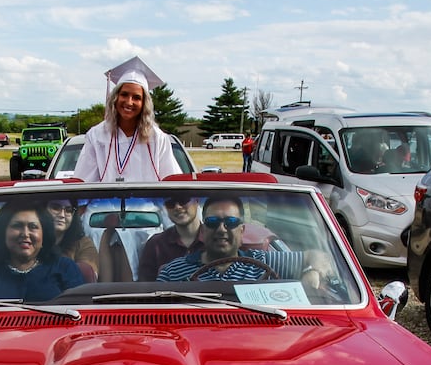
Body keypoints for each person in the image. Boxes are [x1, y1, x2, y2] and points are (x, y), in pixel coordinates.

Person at [156, 196, 330, 287]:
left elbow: (320, 257)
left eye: (231, 222)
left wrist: (312, 272)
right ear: (203, 230)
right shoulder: (173, 272)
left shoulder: (265, 260)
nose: (221, 229)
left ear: (242, 230)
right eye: (212, 222)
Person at [72, 59, 182, 183]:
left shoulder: (158, 138)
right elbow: (83, 182)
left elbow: (172, 182)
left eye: (136, 97)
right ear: (115, 97)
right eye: (124, 94)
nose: (129, 102)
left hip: (147, 202)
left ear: (144, 103)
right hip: (107, 202)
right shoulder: (96, 136)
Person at [0, 199, 86, 301]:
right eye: (17, 226)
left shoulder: (65, 268)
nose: (25, 234)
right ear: (3, 232)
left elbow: (81, 313)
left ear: (44, 234)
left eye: (33, 227)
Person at [136, 194, 203, 281]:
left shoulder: (216, 239)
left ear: (197, 201)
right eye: (170, 203)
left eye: (183, 200)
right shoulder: (155, 244)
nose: (177, 207)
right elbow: (145, 287)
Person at [46, 199, 97, 282]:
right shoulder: (32, 241)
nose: (62, 215)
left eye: (68, 210)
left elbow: (86, 279)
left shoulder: (84, 244)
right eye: (56, 208)